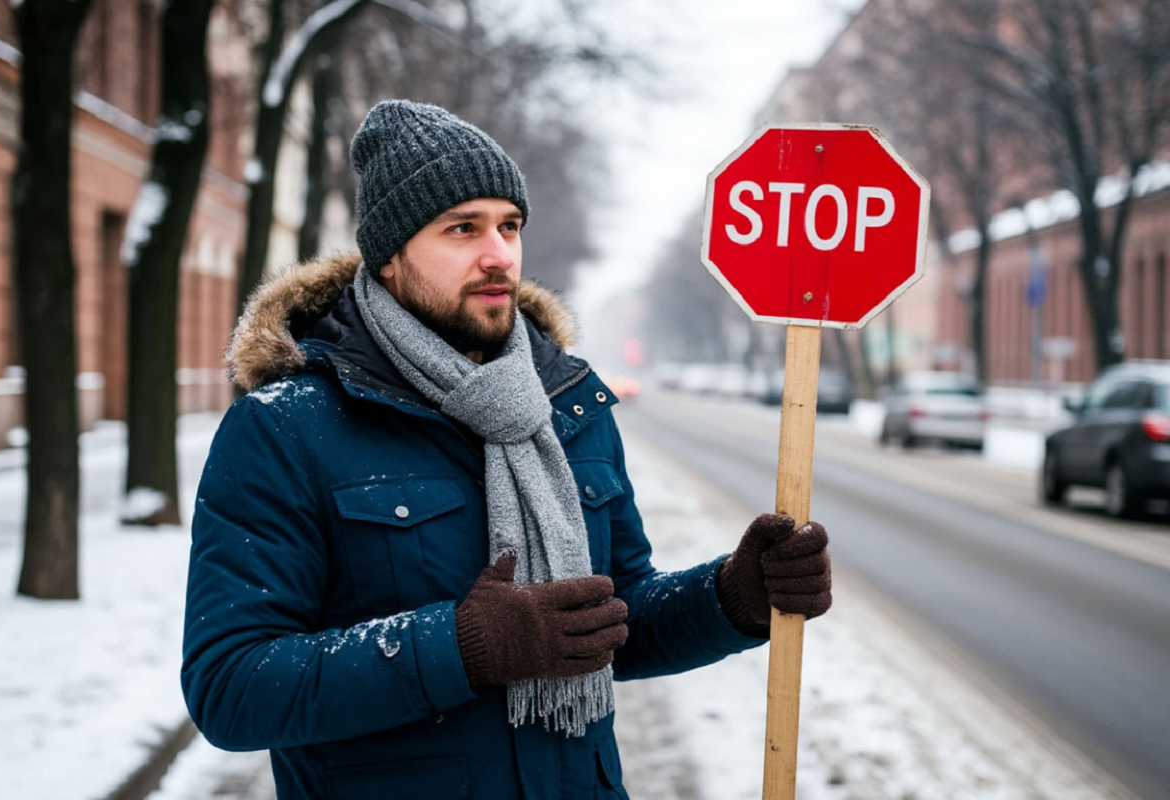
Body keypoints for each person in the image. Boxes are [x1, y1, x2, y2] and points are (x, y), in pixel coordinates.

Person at [181, 100, 832, 800]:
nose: (499, 255)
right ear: (391, 257)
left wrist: (731, 597)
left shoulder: (567, 407)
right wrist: (458, 646)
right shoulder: (286, 426)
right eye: (463, 228)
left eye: (509, 226)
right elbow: (231, 685)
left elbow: (614, 620)